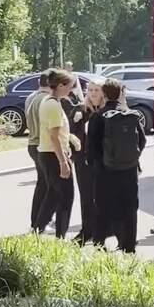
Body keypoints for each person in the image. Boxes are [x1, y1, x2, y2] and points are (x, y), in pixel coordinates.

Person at [88, 77, 146, 253]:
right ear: (121, 93)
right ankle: (129, 246)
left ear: (104, 94)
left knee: (102, 209)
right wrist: (131, 158)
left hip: (105, 171)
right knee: (129, 208)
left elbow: (91, 147)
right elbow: (142, 141)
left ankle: (99, 245)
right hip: (129, 170)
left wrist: (96, 167)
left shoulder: (98, 116)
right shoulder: (131, 115)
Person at [34, 69, 76, 239]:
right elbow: (53, 135)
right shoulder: (52, 104)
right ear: (60, 86)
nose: (71, 90)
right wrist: (63, 162)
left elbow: (56, 131)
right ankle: (60, 235)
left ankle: (38, 229)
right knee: (66, 196)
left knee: (53, 194)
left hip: (49, 153)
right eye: (69, 87)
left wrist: (71, 138)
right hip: (53, 155)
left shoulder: (50, 101)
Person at [67, 79, 102, 244]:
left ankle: (102, 231)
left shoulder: (107, 111)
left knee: (102, 197)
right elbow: (70, 135)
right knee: (86, 197)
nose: (94, 93)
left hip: (103, 162)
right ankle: (86, 231)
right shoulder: (80, 110)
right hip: (83, 161)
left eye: (97, 90)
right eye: (91, 90)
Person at [24, 70, 52, 232]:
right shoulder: (46, 100)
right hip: (42, 144)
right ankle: (40, 222)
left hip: (33, 143)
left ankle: (38, 221)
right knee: (47, 185)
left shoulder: (32, 98)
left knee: (43, 183)